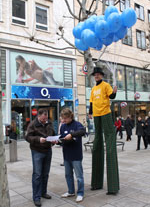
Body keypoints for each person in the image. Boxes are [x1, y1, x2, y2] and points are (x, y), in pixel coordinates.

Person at [89, 67, 119, 195]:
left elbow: (111, 95)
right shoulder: (94, 88)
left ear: (101, 75)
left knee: (110, 142)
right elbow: (91, 102)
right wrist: (90, 113)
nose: (96, 76)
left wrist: (115, 91)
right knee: (97, 144)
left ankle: (112, 186)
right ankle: (96, 183)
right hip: (96, 116)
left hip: (106, 114)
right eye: (95, 74)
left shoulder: (106, 85)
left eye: (98, 74)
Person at [25, 108, 55, 207]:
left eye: (45, 119)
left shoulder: (49, 123)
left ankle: (43, 192)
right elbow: (27, 137)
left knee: (45, 174)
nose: (44, 121)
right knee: (37, 174)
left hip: (48, 150)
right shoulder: (33, 124)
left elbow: (53, 134)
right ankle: (36, 197)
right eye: (42, 119)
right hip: (37, 151)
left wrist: (54, 140)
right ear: (38, 116)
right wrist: (38, 139)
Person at [59, 108, 86, 202]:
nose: (64, 120)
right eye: (63, 118)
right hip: (66, 155)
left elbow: (83, 131)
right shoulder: (63, 126)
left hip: (76, 155)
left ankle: (80, 193)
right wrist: (57, 141)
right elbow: (62, 138)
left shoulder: (77, 124)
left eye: (65, 118)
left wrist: (72, 135)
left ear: (71, 116)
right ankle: (71, 191)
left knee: (79, 176)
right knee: (68, 175)